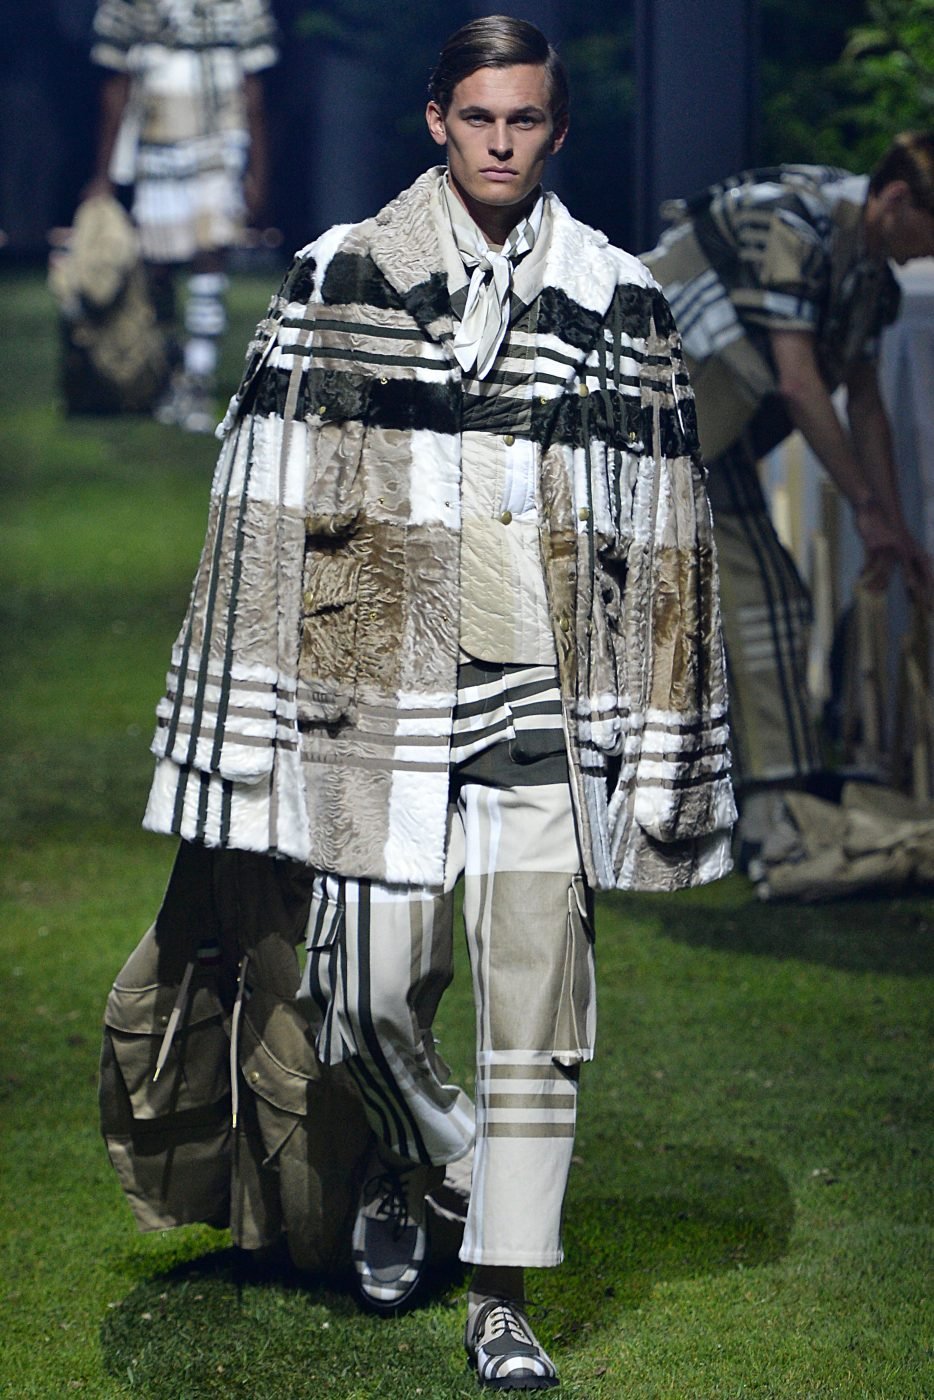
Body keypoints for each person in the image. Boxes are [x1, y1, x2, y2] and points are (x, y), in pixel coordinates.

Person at [103, 16, 735, 1392]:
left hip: (544, 705)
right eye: (478, 119)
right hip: (370, 692)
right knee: (359, 995)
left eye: (525, 123)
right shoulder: (341, 272)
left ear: (554, 134)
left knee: (534, 1011)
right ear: (434, 122)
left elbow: (668, 529)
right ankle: (436, 1163)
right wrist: (243, 717)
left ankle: (500, 1296)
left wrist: (658, 738)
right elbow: (258, 500)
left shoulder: (615, 293)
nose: (501, 143)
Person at [642, 134, 934, 863]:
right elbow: (802, 383)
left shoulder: (867, 271)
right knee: (767, 600)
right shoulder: (793, 223)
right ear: (897, 202)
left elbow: (866, 408)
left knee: (747, 606)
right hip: (644, 416)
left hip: (702, 433)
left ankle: (759, 801)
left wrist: (894, 532)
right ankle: (777, 808)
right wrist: (869, 510)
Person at [85, 0, 279, 431]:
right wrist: (104, 173)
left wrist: (258, 168)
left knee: (210, 251)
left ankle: (197, 375)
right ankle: (166, 368)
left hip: (222, 137)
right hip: (156, 134)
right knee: (156, 262)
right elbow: (115, 81)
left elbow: (253, 84)